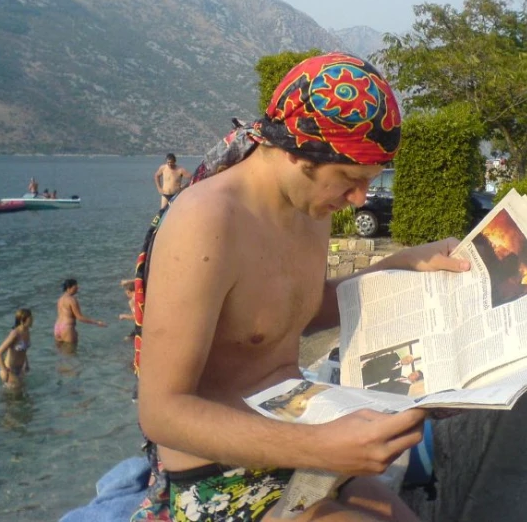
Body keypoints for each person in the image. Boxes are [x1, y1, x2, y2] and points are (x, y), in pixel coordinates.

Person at [136, 53, 471, 521]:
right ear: (297, 153)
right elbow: (160, 411)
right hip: (220, 473)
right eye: (350, 181)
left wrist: (402, 266)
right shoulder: (206, 221)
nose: (357, 200)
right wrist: (320, 447)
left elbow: (292, 311)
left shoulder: (309, 208)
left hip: (299, 436)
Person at [54, 278, 108, 345]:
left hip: (57, 327)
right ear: (69, 287)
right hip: (67, 327)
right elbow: (80, 317)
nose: (77, 288)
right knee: (71, 353)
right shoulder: (72, 300)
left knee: (60, 352)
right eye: (75, 286)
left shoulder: (60, 299)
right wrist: (97, 322)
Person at [0, 308, 33, 388]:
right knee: (16, 395)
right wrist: (5, 371)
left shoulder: (27, 331)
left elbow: (23, 350)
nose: (32, 321)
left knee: (21, 393)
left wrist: (26, 363)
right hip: (9, 369)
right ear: (22, 321)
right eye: (30, 319)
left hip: (20, 369)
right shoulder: (15, 334)